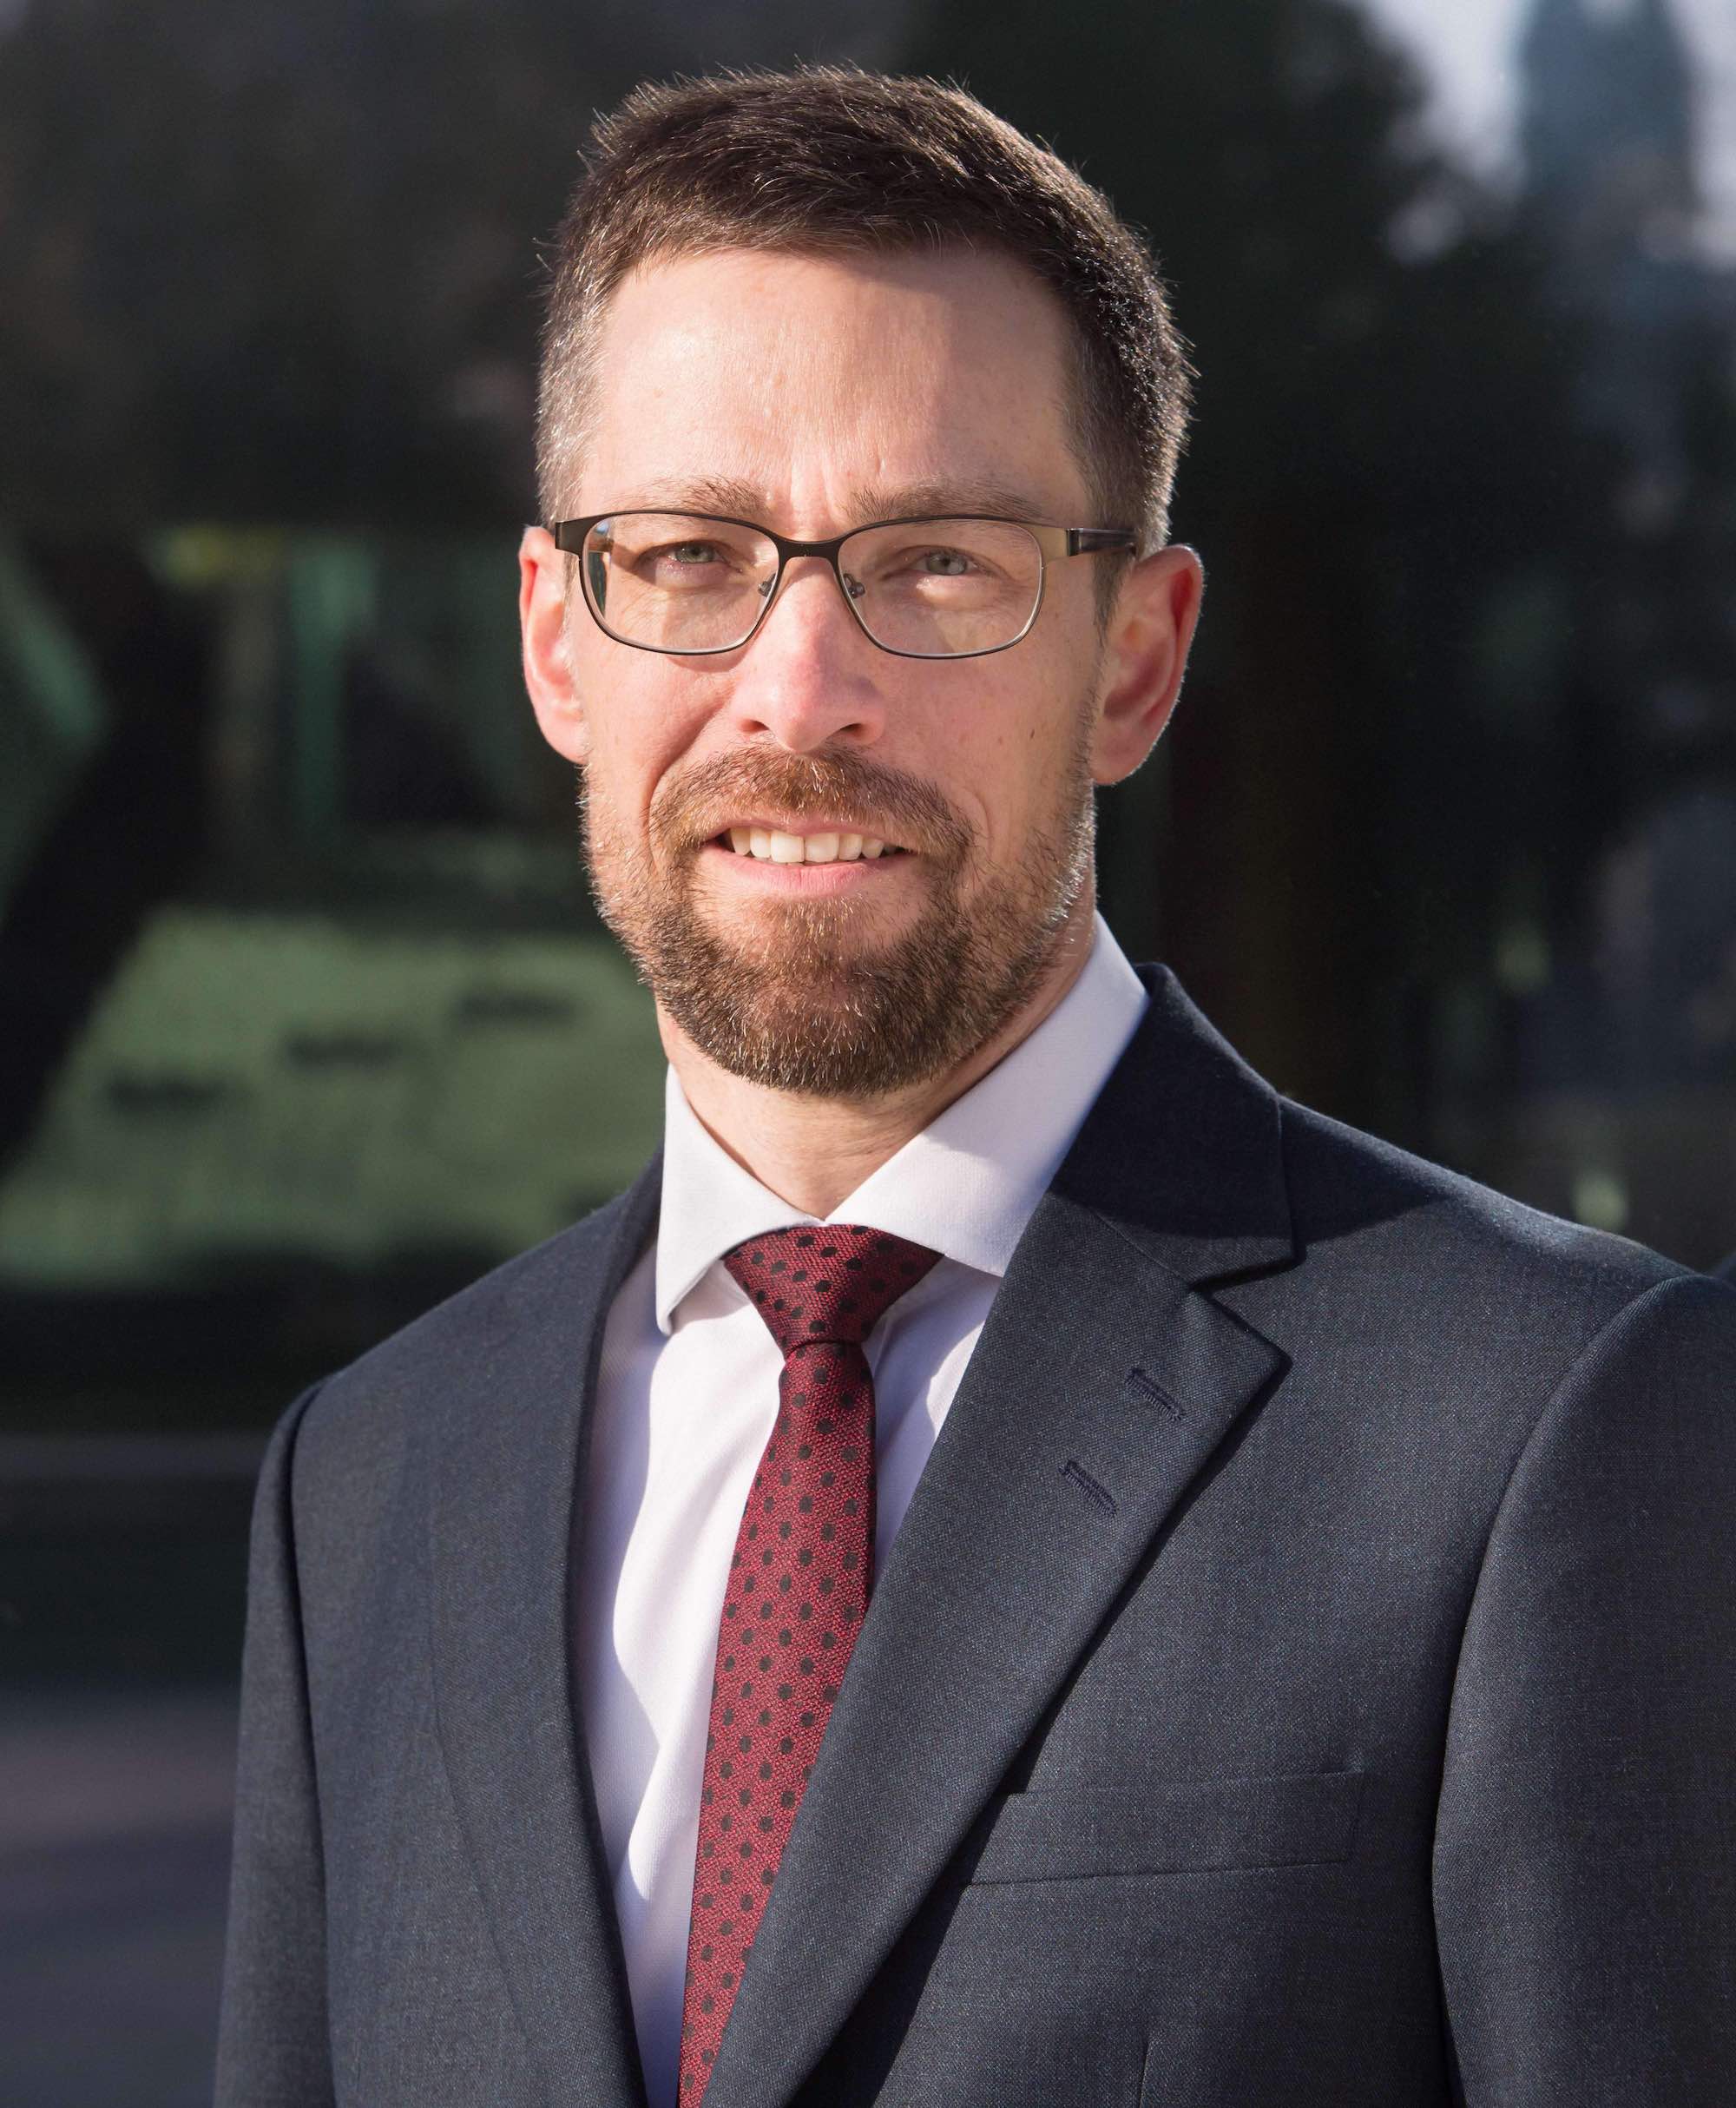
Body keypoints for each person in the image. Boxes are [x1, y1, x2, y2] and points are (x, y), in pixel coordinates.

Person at [214, 66, 1736, 2108]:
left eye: (934, 561)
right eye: (689, 553)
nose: (798, 689)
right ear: (557, 644)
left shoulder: (1551, 1421)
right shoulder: (363, 1483)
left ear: (1134, 658)